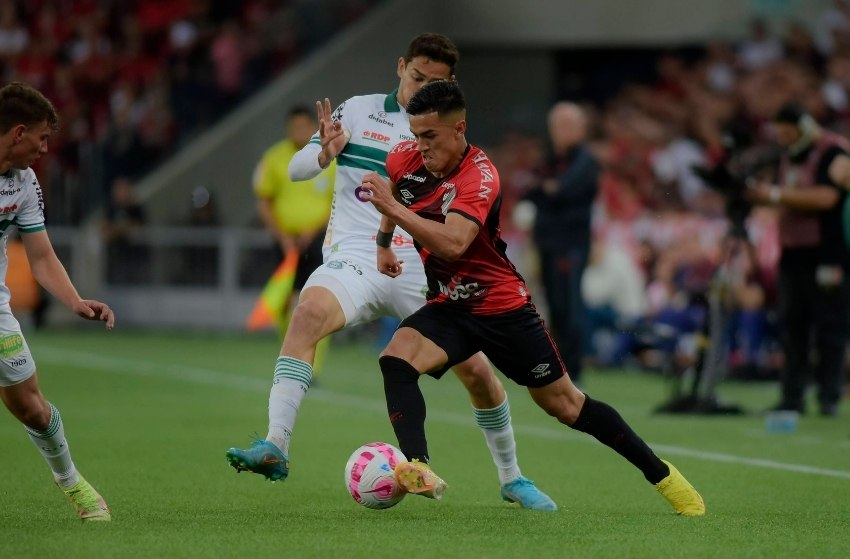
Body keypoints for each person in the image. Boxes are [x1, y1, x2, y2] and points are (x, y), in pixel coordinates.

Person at [226, 33, 556, 510]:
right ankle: (276, 445)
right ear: (401, 67)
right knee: (306, 314)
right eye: (416, 76)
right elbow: (298, 170)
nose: (419, 87)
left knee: (478, 372)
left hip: (420, 265)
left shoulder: (445, 131)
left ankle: (512, 478)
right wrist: (323, 152)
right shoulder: (358, 111)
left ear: (449, 85)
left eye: (433, 81)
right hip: (356, 256)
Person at [358, 79, 705, 515]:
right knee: (396, 358)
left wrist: (392, 211)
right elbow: (394, 189)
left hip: (502, 308)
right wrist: (383, 242)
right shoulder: (404, 159)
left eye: (430, 136)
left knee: (565, 405)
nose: (420, 146)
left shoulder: (480, 175)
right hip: (451, 304)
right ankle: (417, 466)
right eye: (416, 135)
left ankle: (664, 477)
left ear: (459, 129)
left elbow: (453, 243)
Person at [0, 81, 115, 521]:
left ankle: (73, 484)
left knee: (30, 405)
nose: (45, 149)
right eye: (42, 138)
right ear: (18, 132)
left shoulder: (25, 183)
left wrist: (75, 301)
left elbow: (42, 255)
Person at [747, 102, 850, 417]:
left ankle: (829, 396)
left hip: (827, 254)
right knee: (792, 326)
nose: (786, 139)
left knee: (830, 326)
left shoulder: (834, 153)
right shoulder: (788, 155)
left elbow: (827, 196)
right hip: (792, 253)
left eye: (790, 133)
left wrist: (775, 195)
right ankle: (792, 396)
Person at [524, 102, 599, 384]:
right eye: (557, 126)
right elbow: (533, 190)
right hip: (547, 243)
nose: (560, 132)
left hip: (570, 245)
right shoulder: (551, 160)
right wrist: (544, 191)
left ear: (581, 129)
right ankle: (560, 365)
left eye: (567, 125)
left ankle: (575, 367)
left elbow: (561, 190)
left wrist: (546, 191)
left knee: (570, 304)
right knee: (554, 305)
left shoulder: (585, 161)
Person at [251, 106, 335, 345]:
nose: (297, 131)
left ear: (312, 127)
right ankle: (288, 347)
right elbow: (264, 202)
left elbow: (336, 199)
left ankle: (313, 365)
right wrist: (281, 236)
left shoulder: (329, 155)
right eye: (293, 127)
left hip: (320, 239)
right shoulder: (273, 158)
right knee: (283, 300)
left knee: (319, 299)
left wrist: (313, 230)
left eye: (302, 126)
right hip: (284, 242)